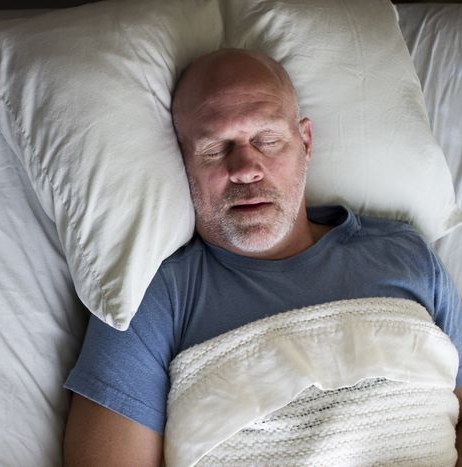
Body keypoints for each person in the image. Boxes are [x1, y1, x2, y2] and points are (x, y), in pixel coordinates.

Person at [62, 48, 462, 466]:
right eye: (216, 149)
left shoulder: (405, 254)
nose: (246, 168)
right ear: (183, 161)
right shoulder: (152, 296)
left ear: (305, 142)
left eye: (268, 140)